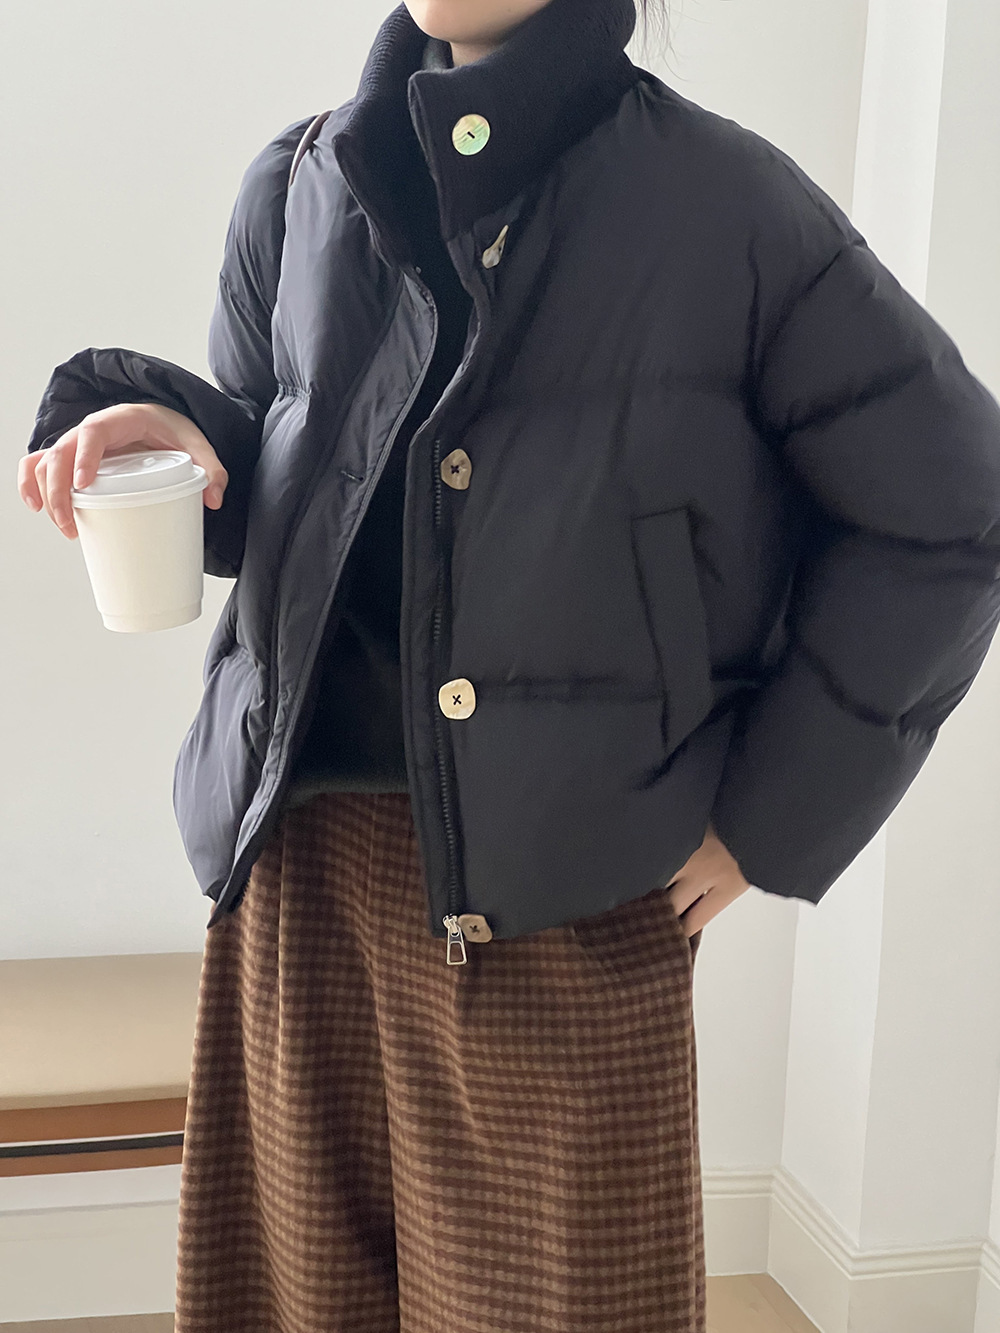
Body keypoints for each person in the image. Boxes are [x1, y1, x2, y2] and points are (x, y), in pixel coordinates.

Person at [17, 0, 1000, 1328]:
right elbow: (295, 485)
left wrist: (772, 815)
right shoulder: (298, 180)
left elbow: (952, 512)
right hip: (294, 885)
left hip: (562, 913)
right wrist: (177, 435)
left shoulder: (729, 206)